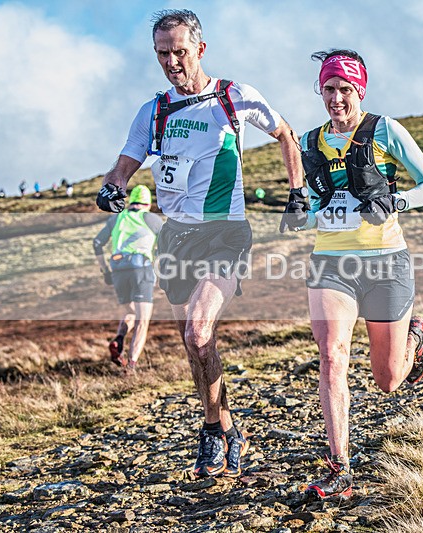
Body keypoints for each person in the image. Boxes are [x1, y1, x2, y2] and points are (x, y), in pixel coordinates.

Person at [95, 10, 304, 479]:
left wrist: (297, 191)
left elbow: (286, 134)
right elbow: (125, 163)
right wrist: (113, 186)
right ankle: (229, 426)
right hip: (174, 237)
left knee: (197, 330)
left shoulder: (233, 97)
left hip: (225, 233)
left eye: (180, 52)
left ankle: (210, 430)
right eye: (162, 54)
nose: (171, 61)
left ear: (200, 50)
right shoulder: (153, 111)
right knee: (197, 346)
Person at [286, 49, 423, 499]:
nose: (336, 98)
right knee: (332, 356)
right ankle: (340, 467)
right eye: (328, 89)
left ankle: (413, 337)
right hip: (331, 264)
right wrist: (302, 210)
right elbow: (315, 201)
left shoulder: (384, 130)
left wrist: (398, 202)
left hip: (386, 261)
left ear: (360, 90)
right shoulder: (310, 141)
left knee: (389, 380)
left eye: (345, 90)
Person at [93, 185, 163, 370]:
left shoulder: (116, 218)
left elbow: (97, 243)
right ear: (148, 202)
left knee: (130, 312)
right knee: (143, 319)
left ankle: (119, 340)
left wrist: (105, 271)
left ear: (131, 201)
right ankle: (131, 367)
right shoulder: (151, 218)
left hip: (117, 269)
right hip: (141, 268)